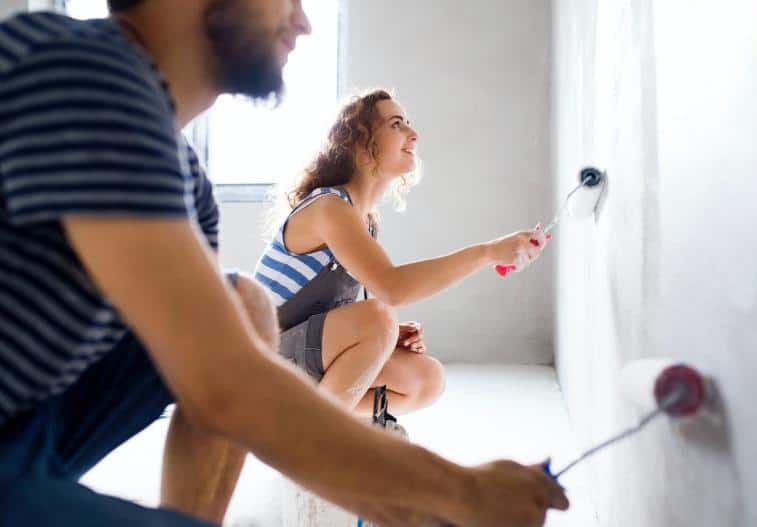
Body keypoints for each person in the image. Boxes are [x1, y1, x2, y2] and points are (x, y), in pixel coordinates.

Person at [0, 1, 569, 526]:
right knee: (248, 339)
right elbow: (225, 381)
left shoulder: (187, 182)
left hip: (34, 427)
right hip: (26, 438)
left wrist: (407, 504)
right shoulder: (79, 73)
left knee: (240, 305)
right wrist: (458, 492)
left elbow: (223, 363)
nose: (303, 22)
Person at [256, 89, 550, 427]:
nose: (414, 134)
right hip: (259, 364)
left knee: (426, 378)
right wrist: (487, 252)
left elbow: (337, 314)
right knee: (378, 318)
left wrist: (381, 340)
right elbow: (392, 288)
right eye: (397, 124)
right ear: (360, 141)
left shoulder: (363, 221)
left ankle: (309, 423)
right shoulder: (328, 206)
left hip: (294, 357)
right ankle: (317, 442)